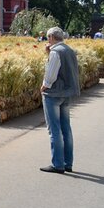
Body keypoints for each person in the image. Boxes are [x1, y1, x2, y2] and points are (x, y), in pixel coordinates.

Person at [39, 26, 79, 174]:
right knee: (66, 128)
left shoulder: (56, 52)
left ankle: (58, 164)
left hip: (54, 94)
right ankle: (68, 163)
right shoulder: (69, 50)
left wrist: (44, 86)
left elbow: (51, 74)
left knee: (54, 129)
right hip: (67, 93)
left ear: (51, 38)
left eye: (47, 37)